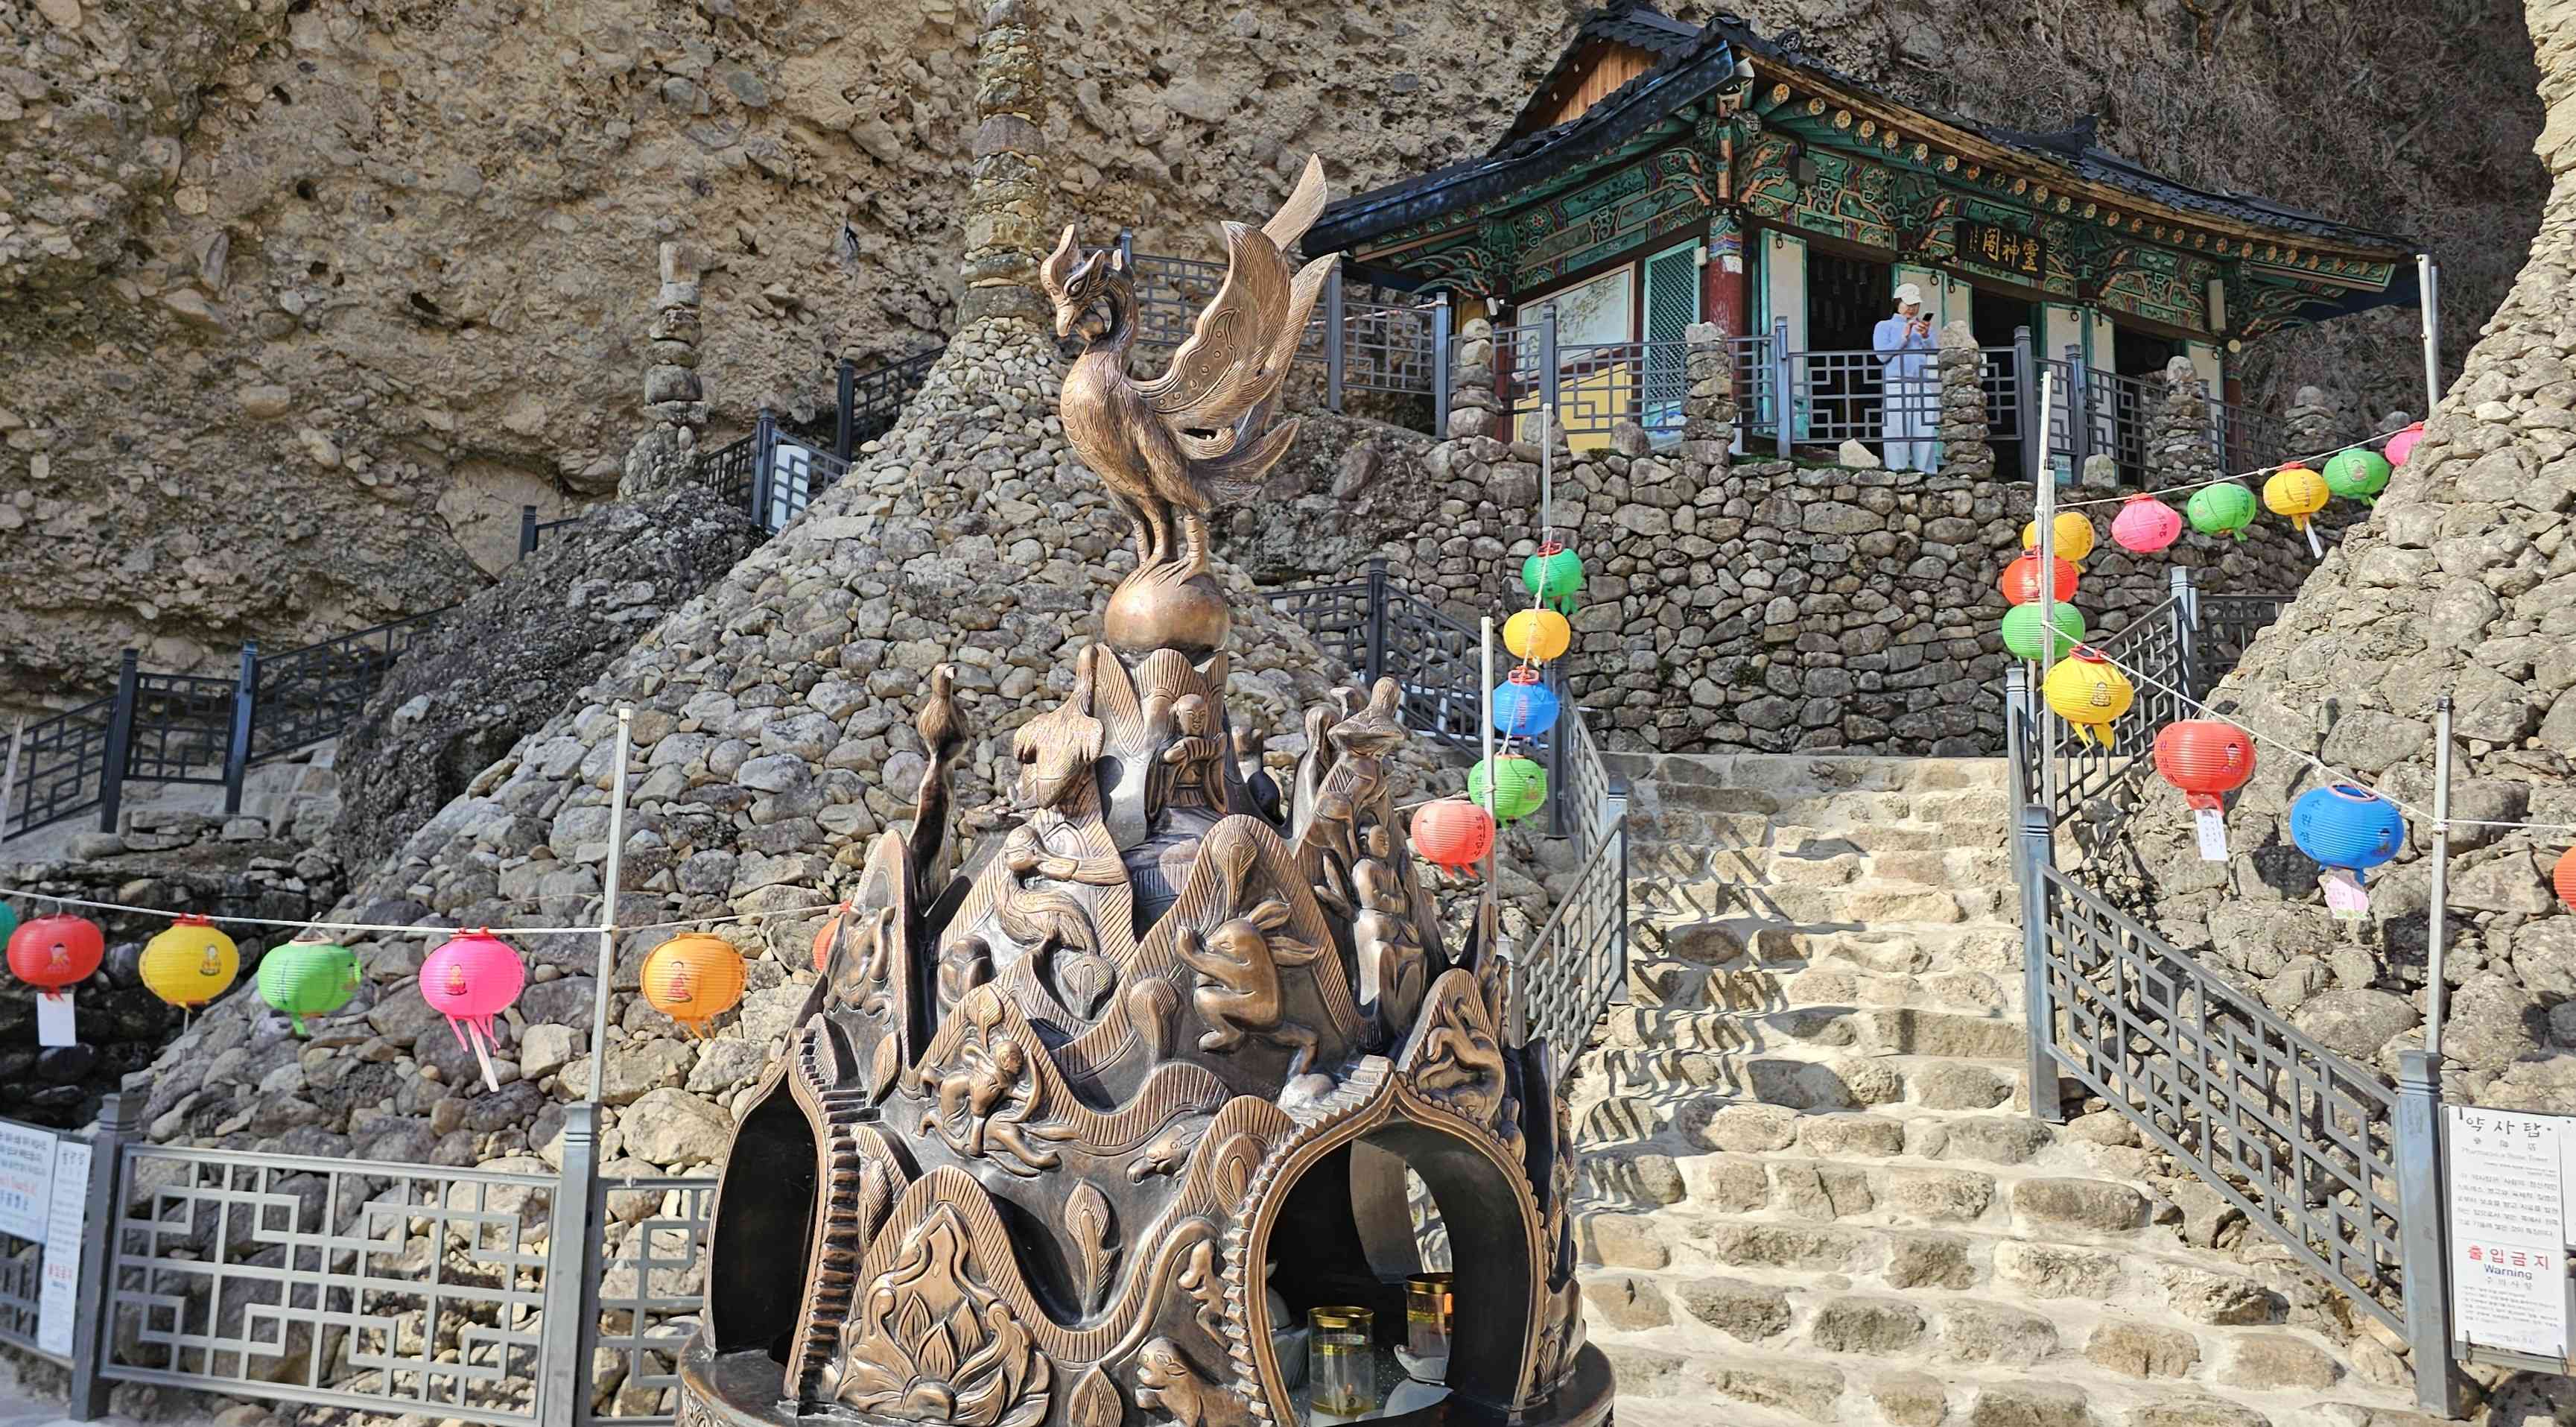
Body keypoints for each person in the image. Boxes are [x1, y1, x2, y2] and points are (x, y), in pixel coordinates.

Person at [1873, 283, 1938, 472]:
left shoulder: (1923, 328)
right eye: (1908, 304)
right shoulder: (1884, 326)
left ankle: (1926, 473)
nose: (1912, 308)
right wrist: (1903, 337)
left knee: (1925, 430)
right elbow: (1882, 356)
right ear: (1897, 303)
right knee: (1896, 429)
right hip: (1896, 382)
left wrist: (1926, 336)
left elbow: (1935, 353)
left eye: (1916, 304)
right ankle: (1898, 471)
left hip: (1922, 383)